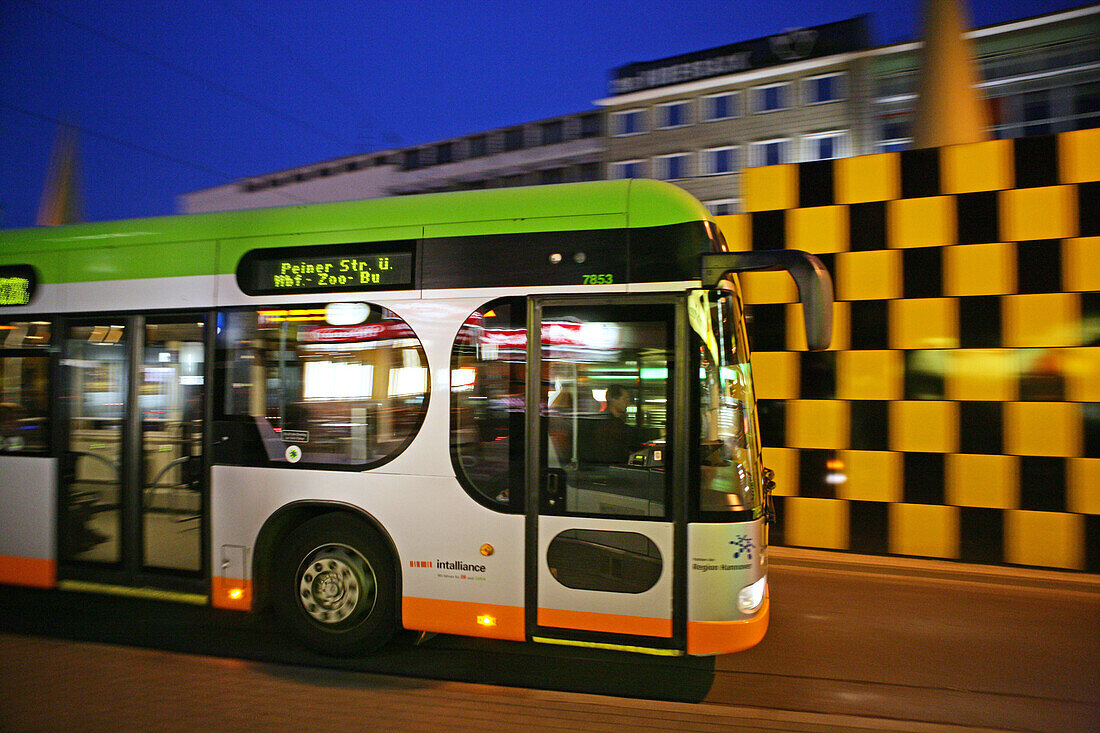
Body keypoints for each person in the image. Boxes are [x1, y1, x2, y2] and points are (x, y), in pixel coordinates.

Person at [580, 385, 641, 464]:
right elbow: (629, 435)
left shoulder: (606, 420)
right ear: (613, 400)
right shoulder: (608, 423)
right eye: (625, 399)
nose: (628, 403)